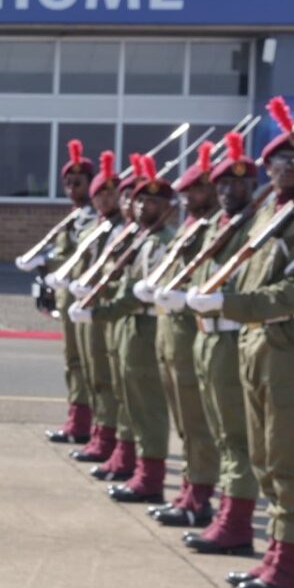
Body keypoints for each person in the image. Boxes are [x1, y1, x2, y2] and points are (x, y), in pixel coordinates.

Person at [178, 98, 294, 588]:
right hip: (254, 342)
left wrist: (226, 301)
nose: (287, 168)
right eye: (279, 162)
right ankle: (272, 554)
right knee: (263, 456)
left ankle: (291, 569)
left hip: (289, 341)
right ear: (267, 168)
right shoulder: (267, 214)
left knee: (290, 457)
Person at [177, 133, 264, 553]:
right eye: (223, 184)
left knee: (236, 436)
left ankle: (236, 521)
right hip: (206, 337)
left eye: (238, 184)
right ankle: (215, 506)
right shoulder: (215, 225)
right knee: (215, 430)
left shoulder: (257, 226)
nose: (230, 190)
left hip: (232, 339)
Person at [75, 156, 173, 503]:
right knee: (125, 394)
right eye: (136, 199)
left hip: (146, 325)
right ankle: (130, 459)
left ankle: (148, 473)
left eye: (149, 200)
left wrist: (101, 311)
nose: (138, 204)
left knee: (147, 404)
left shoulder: (163, 240)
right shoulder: (141, 237)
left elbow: (137, 292)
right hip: (128, 324)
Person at [137, 143, 221, 522]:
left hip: (193, 333)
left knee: (198, 421)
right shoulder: (189, 230)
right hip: (170, 334)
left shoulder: (216, 231)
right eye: (186, 192)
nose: (189, 198)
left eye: (197, 191)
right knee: (183, 420)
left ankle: (200, 497)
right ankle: (189, 490)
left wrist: (184, 298)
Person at [18, 140, 96, 444]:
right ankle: (77, 422)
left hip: (82, 300)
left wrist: (48, 260)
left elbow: (81, 258)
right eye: (67, 183)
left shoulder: (91, 219)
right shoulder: (74, 216)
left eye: (77, 182)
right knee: (72, 361)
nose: (71, 188)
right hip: (67, 300)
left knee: (84, 363)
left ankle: (86, 425)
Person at [64, 152, 124, 465]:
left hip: (107, 308)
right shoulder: (93, 226)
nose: (103, 199)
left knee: (106, 375)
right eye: (100, 194)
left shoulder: (122, 230)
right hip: (83, 304)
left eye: (110, 193)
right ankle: (95, 432)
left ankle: (108, 438)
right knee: (87, 369)